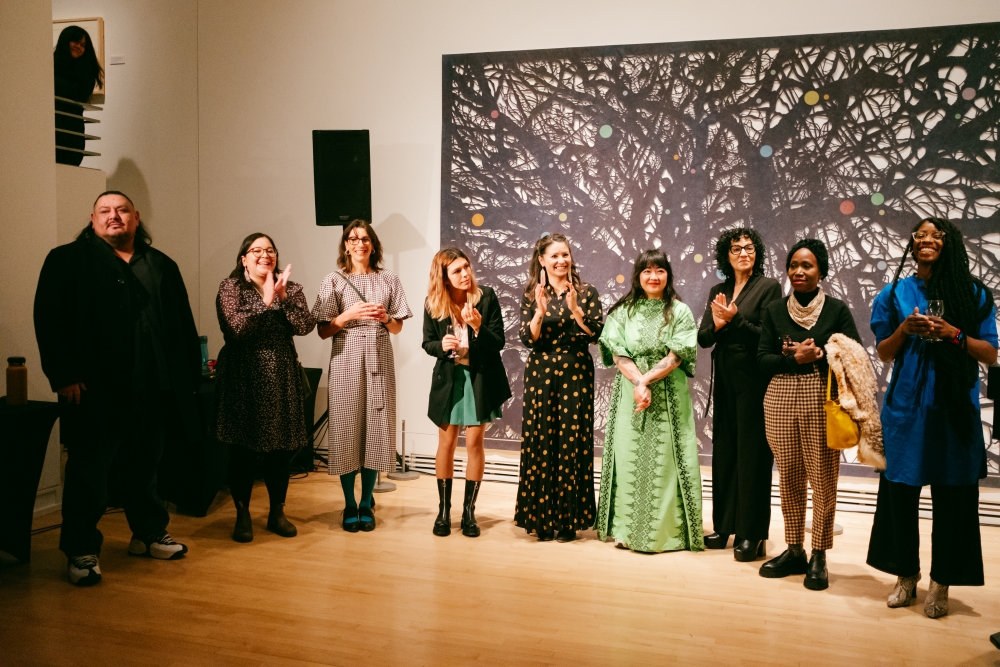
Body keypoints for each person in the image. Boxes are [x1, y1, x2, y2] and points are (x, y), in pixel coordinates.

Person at [34, 191, 200, 586]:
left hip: (154, 386)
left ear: (136, 218)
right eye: (105, 211)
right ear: (92, 219)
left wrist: (186, 379)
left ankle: (147, 532)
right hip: (95, 388)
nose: (115, 217)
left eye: (122, 210)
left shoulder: (161, 264)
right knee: (89, 472)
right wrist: (64, 374)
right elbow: (50, 318)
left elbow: (181, 326)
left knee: (146, 466)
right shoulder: (67, 260)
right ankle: (80, 548)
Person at [867, 218, 997, 618]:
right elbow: (885, 352)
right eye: (919, 235)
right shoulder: (895, 293)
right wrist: (905, 329)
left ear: (948, 244)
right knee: (899, 496)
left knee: (954, 499)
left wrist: (952, 334)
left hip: (953, 409)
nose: (926, 240)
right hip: (906, 411)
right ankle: (906, 576)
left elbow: (990, 353)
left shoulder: (973, 293)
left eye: (935, 235)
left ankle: (941, 582)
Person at [756, 239, 861, 591]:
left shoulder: (836, 309)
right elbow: (761, 360)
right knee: (788, 477)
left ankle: (819, 553)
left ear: (822, 271)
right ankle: (794, 549)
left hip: (822, 398)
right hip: (780, 397)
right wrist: (791, 358)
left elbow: (854, 355)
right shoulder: (773, 310)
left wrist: (822, 354)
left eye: (808, 266)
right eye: (794, 265)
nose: (799, 271)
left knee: (823, 479)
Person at [596, 249, 704, 553]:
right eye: (647, 271)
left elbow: (675, 356)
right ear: (637, 276)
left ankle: (667, 534)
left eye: (659, 271)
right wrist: (637, 382)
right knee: (627, 457)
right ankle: (625, 531)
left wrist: (645, 382)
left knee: (668, 463)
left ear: (668, 275)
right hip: (630, 395)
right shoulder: (623, 311)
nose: (653, 277)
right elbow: (618, 353)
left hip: (668, 394)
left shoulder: (680, 311)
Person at [216, 233, 316, 543]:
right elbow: (236, 329)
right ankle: (243, 514)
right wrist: (266, 302)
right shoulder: (231, 287)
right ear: (243, 258)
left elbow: (305, 326)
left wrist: (283, 298)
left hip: (281, 374)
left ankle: (277, 512)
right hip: (242, 374)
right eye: (256, 250)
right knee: (242, 449)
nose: (264, 255)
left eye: (269, 250)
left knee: (280, 448)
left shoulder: (293, 288)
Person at [312, 220, 411, 532]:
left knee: (375, 430)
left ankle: (367, 501)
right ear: (345, 245)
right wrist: (346, 316)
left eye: (365, 238)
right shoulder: (333, 280)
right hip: (345, 360)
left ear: (373, 244)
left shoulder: (389, 279)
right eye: (353, 238)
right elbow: (323, 331)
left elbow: (398, 326)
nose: (359, 243)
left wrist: (386, 318)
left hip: (379, 358)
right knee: (345, 430)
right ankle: (349, 504)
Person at [697, 228, 781, 561]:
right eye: (736, 249)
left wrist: (735, 320)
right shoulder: (719, 289)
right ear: (726, 255)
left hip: (754, 378)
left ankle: (753, 533)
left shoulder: (769, 287)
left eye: (749, 248)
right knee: (726, 451)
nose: (743, 253)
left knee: (754, 455)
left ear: (757, 253)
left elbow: (769, 338)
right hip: (727, 379)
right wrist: (718, 324)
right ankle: (725, 526)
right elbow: (704, 338)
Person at [515, 234, 604, 542]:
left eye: (565, 254)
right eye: (554, 256)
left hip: (576, 373)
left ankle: (567, 519)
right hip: (541, 373)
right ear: (542, 260)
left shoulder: (586, 291)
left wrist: (576, 309)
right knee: (541, 440)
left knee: (571, 440)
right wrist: (539, 310)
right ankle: (540, 518)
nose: (561, 261)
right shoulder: (531, 293)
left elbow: (596, 334)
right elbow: (528, 339)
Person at [422, 248, 511, 537]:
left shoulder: (486, 297)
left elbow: (498, 341)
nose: (465, 274)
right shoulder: (433, 303)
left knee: (474, 444)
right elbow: (428, 343)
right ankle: (444, 512)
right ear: (444, 278)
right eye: (457, 271)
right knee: (446, 443)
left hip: (479, 378)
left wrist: (477, 327)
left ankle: (469, 513)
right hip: (450, 379)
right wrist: (442, 345)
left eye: (466, 267)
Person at [53, 25, 103, 166]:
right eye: (75, 41)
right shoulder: (49, 63)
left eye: (83, 45)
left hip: (71, 129)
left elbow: (78, 94)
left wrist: (55, 82)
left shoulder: (87, 69)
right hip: (51, 125)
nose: (79, 46)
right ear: (66, 40)